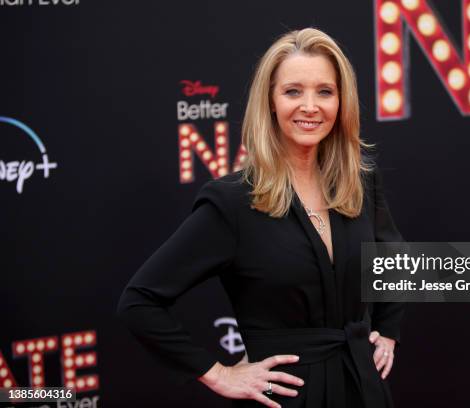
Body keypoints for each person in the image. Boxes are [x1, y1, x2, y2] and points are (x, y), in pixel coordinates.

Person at [117, 27, 405, 408]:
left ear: (342, 101)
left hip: (361, 388)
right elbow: (139, 302)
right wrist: (218, 373)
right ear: (270, 101)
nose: (310, 106)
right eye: (292, 91)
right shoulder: (233, 203)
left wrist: (387, 330)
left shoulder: (360, 182)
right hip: (285, 399)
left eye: (325, 91)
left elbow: (394, 257)